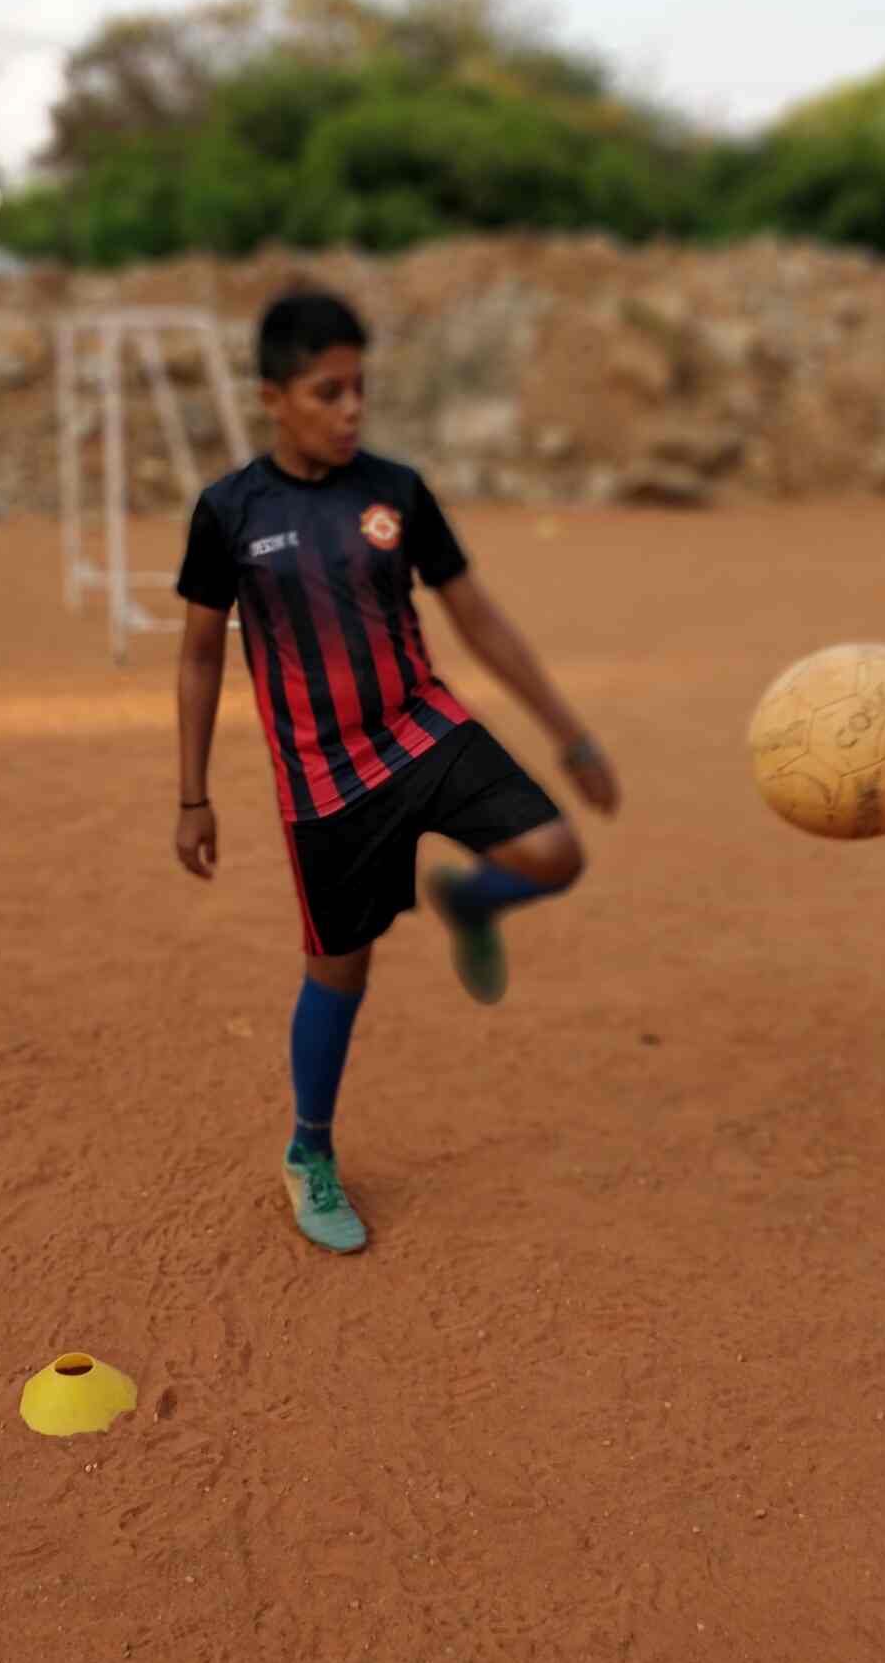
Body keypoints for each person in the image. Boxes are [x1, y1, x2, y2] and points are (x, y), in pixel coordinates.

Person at [173, 289, 621, 1254]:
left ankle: (469, 902)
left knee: (553, 852)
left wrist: (569, 733)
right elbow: (202, 653)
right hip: (324, 781)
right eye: (327, 391)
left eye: (359, 389)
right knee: (341, 969)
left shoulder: (398, 492)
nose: (350, 409)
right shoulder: (229, 513)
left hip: (426, 732)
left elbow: (476, 614)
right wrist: (193, 795)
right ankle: (310, 1154)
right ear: (273, 399)